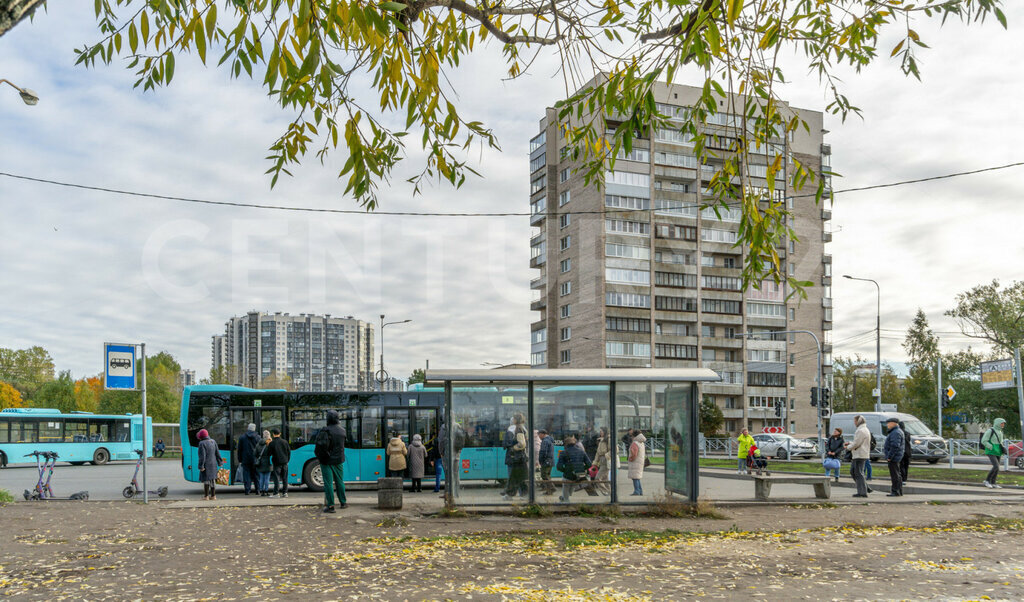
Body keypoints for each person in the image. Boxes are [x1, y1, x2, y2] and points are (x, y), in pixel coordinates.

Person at [315, 410, 347, 512]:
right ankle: (343, 502)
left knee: (328, 483)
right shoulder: (342, 430)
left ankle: (331, 506)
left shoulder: (325, 430)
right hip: (339, 460)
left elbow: (320, 446)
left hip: (326, 460)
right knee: (339, 481)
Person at [557, 435, 592, 502]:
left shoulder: (563, 452)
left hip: (568, 475)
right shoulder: (582, 451)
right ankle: (565, 497)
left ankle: (566, 501)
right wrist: (582, 468)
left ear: (565, 444)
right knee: (571, 487)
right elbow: (589, 464)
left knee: (566, 486)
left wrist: (565, 470)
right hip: (579, 475)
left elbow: (559, 467)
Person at [502, 413, 529, 500]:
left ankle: (509, 495)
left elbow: (507, 442)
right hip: (522, 456)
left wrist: (512, 447)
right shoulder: (524, 428)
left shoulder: (512, 428)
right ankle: (524, 494)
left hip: (513, 456)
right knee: (522, 476)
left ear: (515, 420)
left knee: (512, 476)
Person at [845, 415, 871, 498]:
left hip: (859, 454)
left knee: (858, 473)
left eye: (855, 421)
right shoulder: (863, 430)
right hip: (860, 454)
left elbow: (857, 443)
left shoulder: (861, 431)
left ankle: (862, 492)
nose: (854, 423)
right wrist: (850, 443)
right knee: (854, 471)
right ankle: (865, 488)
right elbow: (857, 441)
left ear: (858, 421)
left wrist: (848, 447)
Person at [196, 429, 224, 500]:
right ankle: (213, 496)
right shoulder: (213, 441)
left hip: (206, 465)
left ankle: (206, 496)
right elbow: (217, 453)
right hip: (213, 464)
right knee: (212, 480)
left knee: (206, 480)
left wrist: (201, 466)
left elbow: (202, 456)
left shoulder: (202, 443)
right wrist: (220, 462)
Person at [982, 418, 1008, 489]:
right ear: (997, 423)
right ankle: (987, 481)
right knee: (996, 466)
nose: (1003, 425)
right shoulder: (990, 430)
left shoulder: (1000, 431)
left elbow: (1000, 442)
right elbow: (984, 440)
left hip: (998, 451)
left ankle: (993, 483)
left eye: (1004, 423)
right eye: (1002, 423)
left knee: (997, 468)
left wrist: (1002, 449)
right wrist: (991, 447)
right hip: (991, 451)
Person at [236, 423, 261, 495]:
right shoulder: (258, 437)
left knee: (246, 475)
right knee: (256, 475)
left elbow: (239, 450)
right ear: (254, 429)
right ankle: (258, 490)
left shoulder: (242, 437)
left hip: (245, 459)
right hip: (255, 459)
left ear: (248, 428)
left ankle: (247, 490)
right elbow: (260, 449)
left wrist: (240, 459)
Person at [883, 418, 905, 497]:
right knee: (897, 474)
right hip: (896, 456)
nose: (887, 425)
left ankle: (895, 491)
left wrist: (889, 456)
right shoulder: (896, 431)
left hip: (894, 457)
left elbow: (895, 446)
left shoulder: (895, 432)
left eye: (888, 423)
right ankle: (899, 491)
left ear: (893, 423)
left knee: (895, 475)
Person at [268, 428, 291, 498]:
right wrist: (287, 460)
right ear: (280, 433)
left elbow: (269, 453)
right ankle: (285, 493)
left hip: (276, 462)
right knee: (285, 478)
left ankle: (276, 493)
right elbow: (289, 452)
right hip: (285, 462)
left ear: (273, 434)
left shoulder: (272, 443)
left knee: (277, 478)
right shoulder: (285, 442)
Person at [592, 427, 612, 494]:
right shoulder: (601, 440)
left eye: (601, 431)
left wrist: (606, 456)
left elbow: (614, 450)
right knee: (605, 479)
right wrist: (595, 462)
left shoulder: (609, 439)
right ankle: (610, 493)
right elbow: (598, 453)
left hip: (606, 460)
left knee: (597, 478)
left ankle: (605, 491)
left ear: (605, 432)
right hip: (602, 460)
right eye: (600, 431)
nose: (600, 433)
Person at [628, 430, 647, 496]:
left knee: (635, 478)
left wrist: (630, 459)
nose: (631, 437)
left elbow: (634, 454)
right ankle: (640, 490)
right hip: (640, 462)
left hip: (635, 462)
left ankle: (637, 491)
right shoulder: (641, 442)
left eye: (631, 436)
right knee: (637, 477)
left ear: (634, 436)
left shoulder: (635, 443)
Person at [254, 430, 272, 496]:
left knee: (261, 478)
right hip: (268, 463)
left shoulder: (258, 444)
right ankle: (266, 490)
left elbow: (255, 453)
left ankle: (261, 490)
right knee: (267, 478)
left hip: (260, 463)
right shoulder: (269, 444)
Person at [537, 429, 556, 494]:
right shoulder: (550, 440)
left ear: (543, 434)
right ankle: (549, 491)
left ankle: (551, 488)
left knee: (544, 475)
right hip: (550, 461)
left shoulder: (545, 441)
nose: (538, 436)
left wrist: (540, 460)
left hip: (546, 461)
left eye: (539, 434)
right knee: (547, 475)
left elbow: (543, 452)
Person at [899, 420, 912, 484]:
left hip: (902, 451)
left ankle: (902, 478)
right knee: (906, 466)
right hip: (908, 451)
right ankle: (905, 478)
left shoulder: (899, 433)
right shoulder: (908, 433)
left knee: (901, 465)